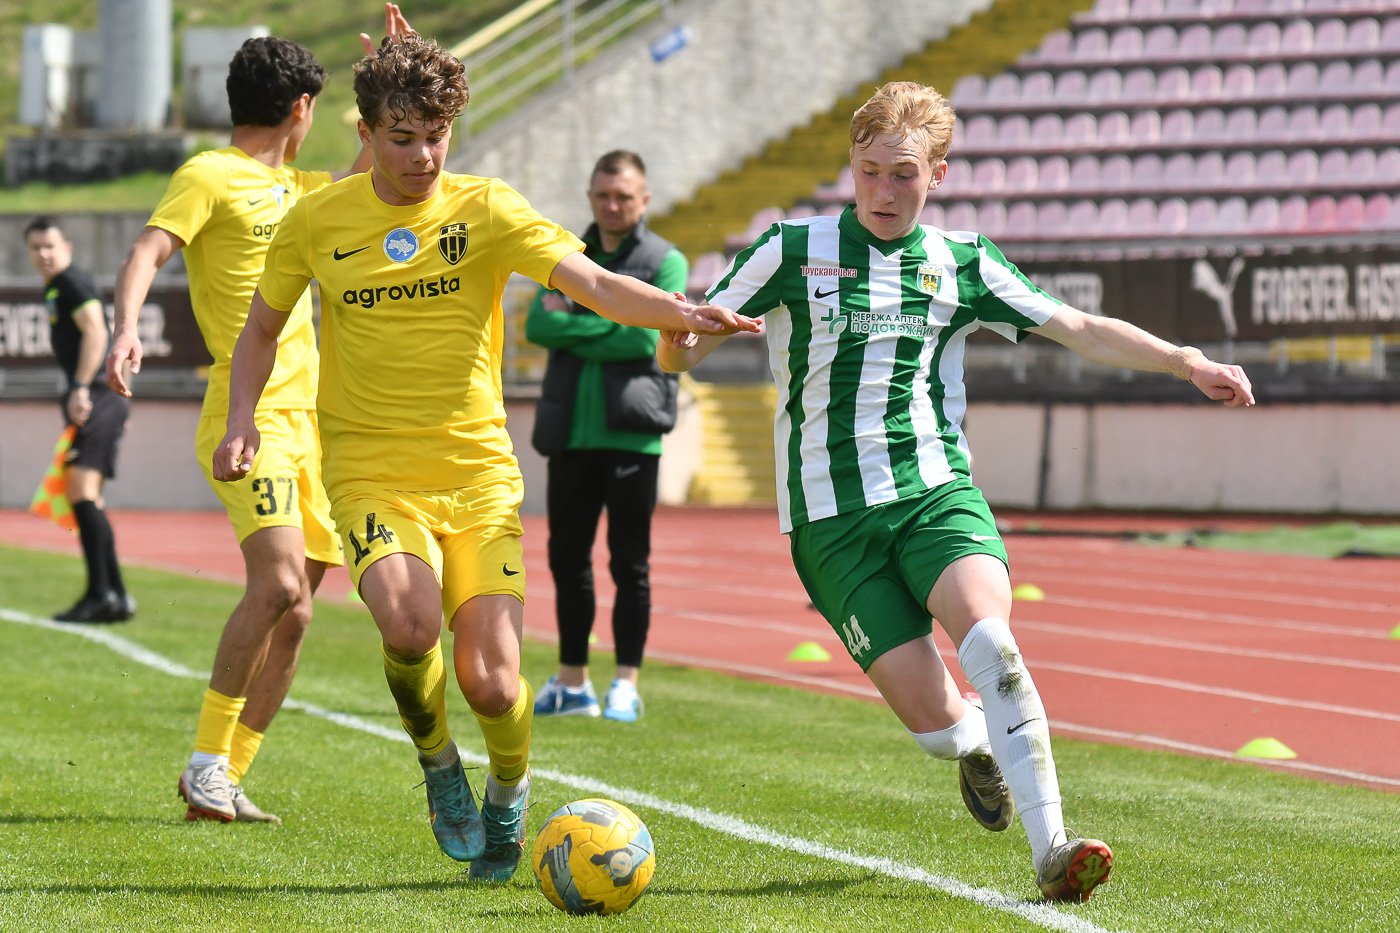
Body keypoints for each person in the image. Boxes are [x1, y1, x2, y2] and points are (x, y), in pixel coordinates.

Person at [657, 80, 1255, 903]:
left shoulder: (963, 261)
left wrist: (1186, 361)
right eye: (869, 171)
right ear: (852, 165)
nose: (883, 191)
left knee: (991, 641)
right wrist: (678, 341)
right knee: (938, 726)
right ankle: (976, 744)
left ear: (937, 173)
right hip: (829, 522)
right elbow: (685, 344)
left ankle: (1053, 849)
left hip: (934, 493)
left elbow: (1078, 328)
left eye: (903, 174)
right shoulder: (791, 249)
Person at [209, 34, 757, 881]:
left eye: (437, 136)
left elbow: (595, 284)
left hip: (476, 475)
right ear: (366, 131)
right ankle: (438, 762)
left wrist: (678, 310)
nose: (423, 156)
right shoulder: (316, 219)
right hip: (370, 471)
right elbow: (260, 328)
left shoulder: (487, 207)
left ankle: (508, 788)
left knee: (494, 682)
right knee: (407, 625)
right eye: (402, 138)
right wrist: (241, 418)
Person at [104, 5, 413, 825]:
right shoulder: (209, 174)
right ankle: (207, 762)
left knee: (300, 610)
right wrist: (127, 326)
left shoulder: (303, 191)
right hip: (249, 416)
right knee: (275, 583)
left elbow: (369, 172)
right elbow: (147, 250)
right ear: (302, 108)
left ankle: (223, 777)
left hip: (314, 427)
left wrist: (396, 76)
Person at [525, 150, 688, 723]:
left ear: (644, 200)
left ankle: (625, 683)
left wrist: (577, 323)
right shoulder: (567, 255)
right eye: (603, 195)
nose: (612, 206)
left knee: (629, 564)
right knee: (567, 558)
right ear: (591, 197)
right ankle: (573, 682)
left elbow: (647, 339)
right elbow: (536, 324)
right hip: (570, 432)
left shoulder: (665, 261)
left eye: (623, 196)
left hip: (631, 437)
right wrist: (622, 315)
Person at [25, 216, 135, 624]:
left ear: (67, 248)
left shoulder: (71, 282)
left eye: (50, 246)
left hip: (98, 396)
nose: (43, 254)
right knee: (89, 498)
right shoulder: (57, 286)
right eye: (36, 247)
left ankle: (102, 594)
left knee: (82, 493)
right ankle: (114, 595)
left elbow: (96, 332)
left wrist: (81, 386)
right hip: (102, 396)